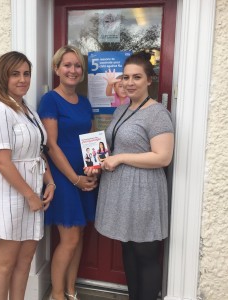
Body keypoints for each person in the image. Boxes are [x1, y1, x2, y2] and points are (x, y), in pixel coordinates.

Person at [94, 52, 174, 300]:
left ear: (149, 80)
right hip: (120, 190)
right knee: (127, 249)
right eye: (126, 77)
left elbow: (163, 157)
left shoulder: (157, 113)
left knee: (146, 254)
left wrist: (120, 158)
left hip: (143, 191)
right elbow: (113, 146)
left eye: (137, 77)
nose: (130, 82)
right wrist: (96, 162)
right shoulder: (123, 109)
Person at [0, 51, 55, 300]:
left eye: (26, 73)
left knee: (25, 261)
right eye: (15, 74)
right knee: (5, 262)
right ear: (3, 77)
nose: (22, 79)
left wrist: (50, 181)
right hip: (9, 193)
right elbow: (2, 161)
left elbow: (38, 151)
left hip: (33, 189)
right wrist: (29, 196)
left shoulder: (27, 109)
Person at [38, 45, 97, 300]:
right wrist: (74, 179)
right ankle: (57, 294)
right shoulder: (50, 100)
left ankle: (72, 290)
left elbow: (92, 138)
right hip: (63, 179)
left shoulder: (84, 102)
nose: (72, 70)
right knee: (70, 238)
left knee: (79, 233)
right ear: (56, 69)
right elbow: (50, 145)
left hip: (84, 177)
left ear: (82, 72)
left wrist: (94, 170)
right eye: (67, 65)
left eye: (77, 66)